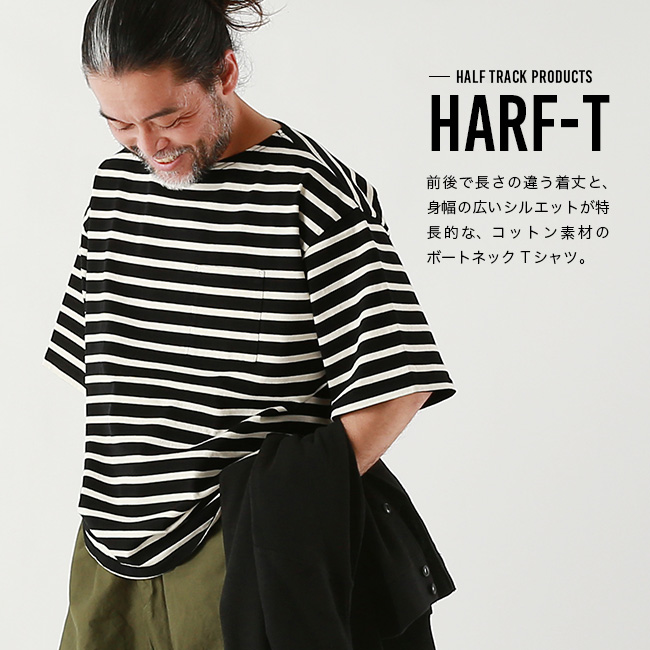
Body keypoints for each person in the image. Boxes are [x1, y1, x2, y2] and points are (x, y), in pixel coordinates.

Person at [44, 1, 456, 647]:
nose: (148, 148)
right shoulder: (116, 186)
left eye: (169, 118)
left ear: (225, 72)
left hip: (236, 555)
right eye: (120, 123)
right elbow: (101, 370)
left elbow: (399, 383)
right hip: (106, 551)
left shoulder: (310, 191)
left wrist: (277, 511)